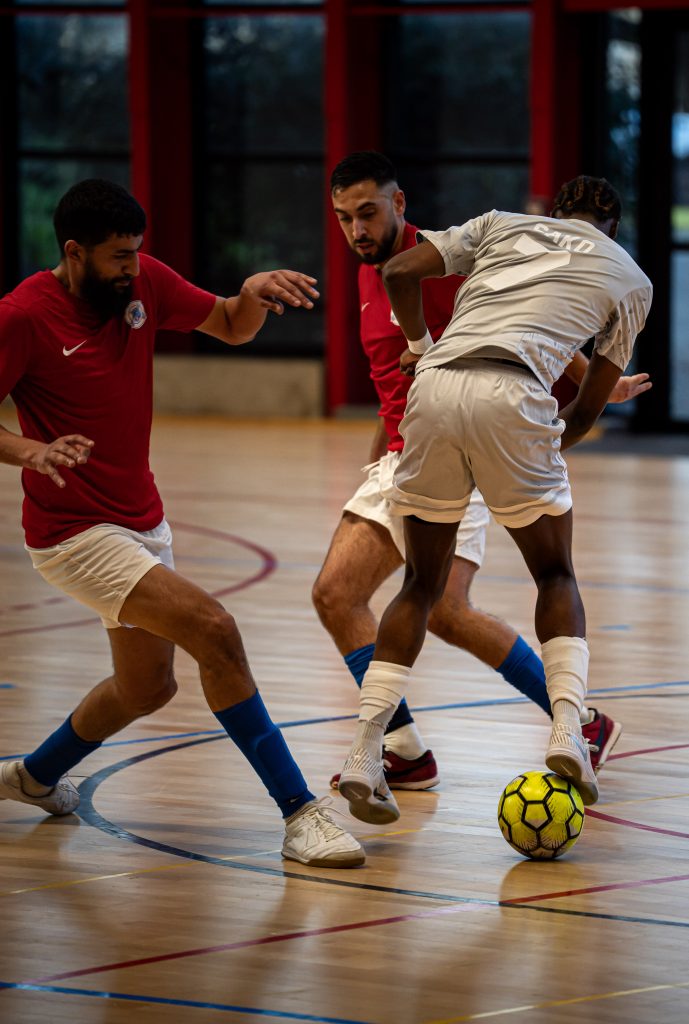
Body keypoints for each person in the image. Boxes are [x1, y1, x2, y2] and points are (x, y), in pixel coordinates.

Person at [0, 178, 364, 868]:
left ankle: (33, 777)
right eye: (117, 256)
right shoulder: (22, 316)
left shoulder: (143, 283)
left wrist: (250, 295)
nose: (131, 267)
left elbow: (229, 323)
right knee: (214, 629)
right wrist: (31, 451)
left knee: (147, 687)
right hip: (72, 533)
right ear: (74, 253)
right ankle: (301, 814)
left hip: (142, 520)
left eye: (136, 252)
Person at [316, 152, 647, 795]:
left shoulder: (491, 233)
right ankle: (564, 729)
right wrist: (554, 435)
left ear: (399, 203)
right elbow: (562, 361)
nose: (357, 228)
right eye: (345, 217)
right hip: (475, 418)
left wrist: (422, 352)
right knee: (548, 574)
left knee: (430, 597)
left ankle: (372, 750)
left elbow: (437, 288)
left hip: (435, 406)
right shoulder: (626, 273)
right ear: (612, 229)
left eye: (367, 212)